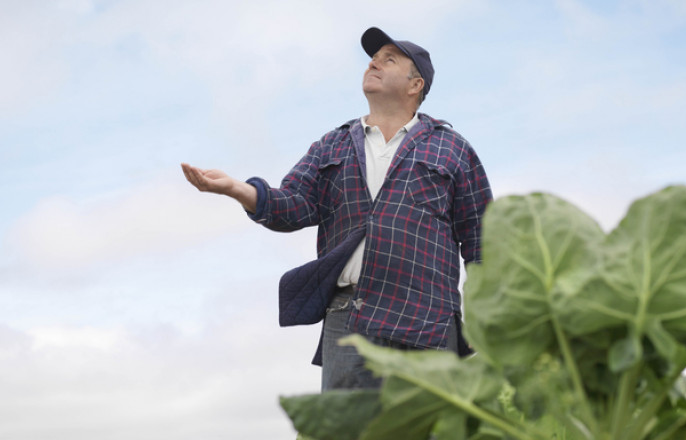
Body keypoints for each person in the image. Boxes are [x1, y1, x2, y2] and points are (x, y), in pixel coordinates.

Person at [181, 27, 492, 391]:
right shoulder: (333, 145)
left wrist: (492, 322)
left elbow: (482, 241)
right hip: (350, 319)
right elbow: (292, 206)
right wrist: (237, 189)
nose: (373, 62)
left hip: (427, 320)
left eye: (388, 59)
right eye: (373, 58)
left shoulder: (452, 149)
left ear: (415, 85)